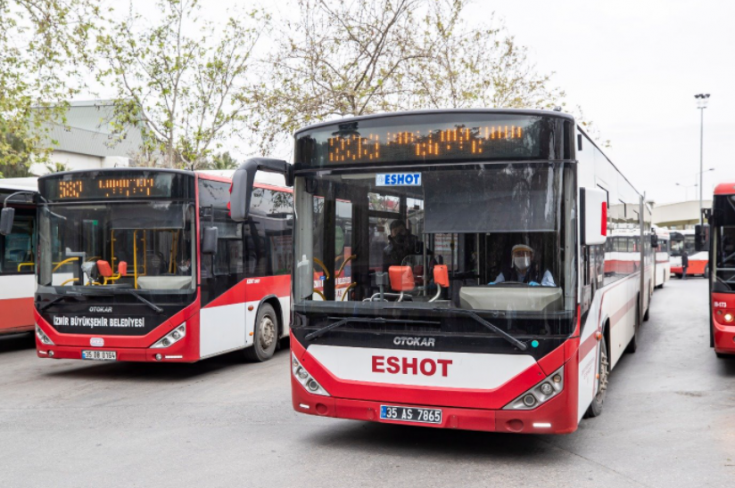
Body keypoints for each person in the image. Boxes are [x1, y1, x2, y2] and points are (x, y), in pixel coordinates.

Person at [489, 244, 555, 287]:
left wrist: (540, 287)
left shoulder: (543, 273)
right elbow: (494, 287)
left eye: (524, 254)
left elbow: (552, 292)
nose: (521, 256)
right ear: (513, 257)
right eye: (518, 254)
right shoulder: (506, 274)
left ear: (531, 257)